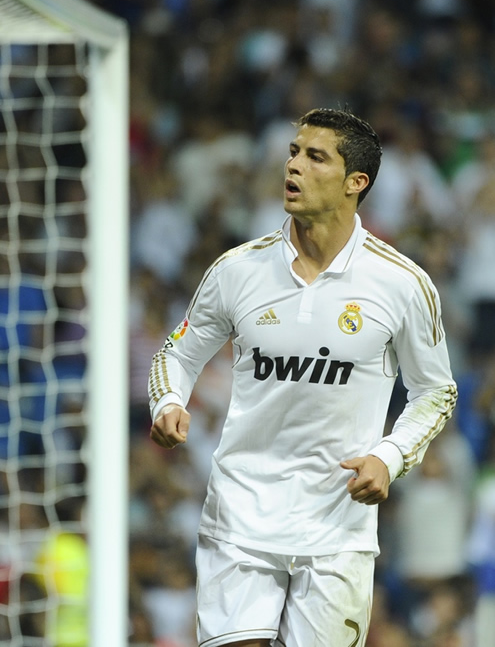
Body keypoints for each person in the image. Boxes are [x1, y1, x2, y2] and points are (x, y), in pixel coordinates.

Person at [148, 108, 458, 647]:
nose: (292, 165)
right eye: (293, 152)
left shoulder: (402, 284)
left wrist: (390, 456)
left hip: (337, 528)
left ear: (354, 182)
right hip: (241, 516)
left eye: (315, 157)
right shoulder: (237, 270)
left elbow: (436, 392)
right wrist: (170, 399)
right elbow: (175, 352)